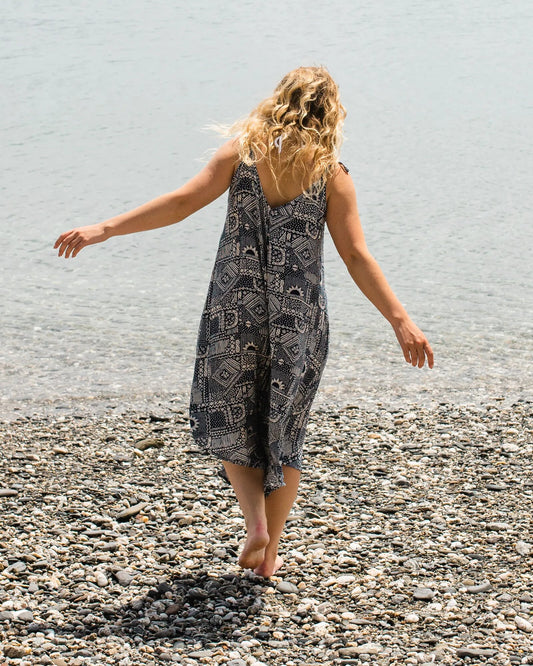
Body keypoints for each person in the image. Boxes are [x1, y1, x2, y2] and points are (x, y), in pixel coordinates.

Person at [54, 66, 433, 578]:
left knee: (232, 414)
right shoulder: (332, 175)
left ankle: (254, 523)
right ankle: (269, 552)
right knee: (285, 428)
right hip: (298, 317)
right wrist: (400, 321)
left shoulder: (243, 154)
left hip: (236, 307)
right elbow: (356, 256)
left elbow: (181, 203)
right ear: (331, 114)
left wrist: (104, 228)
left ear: (278, 101)